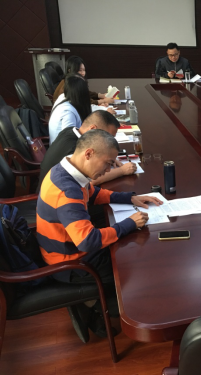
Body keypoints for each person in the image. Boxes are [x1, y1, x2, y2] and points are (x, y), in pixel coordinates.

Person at [37, 130, 163, 342]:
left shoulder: (66, 170)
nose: (109, 170)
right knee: (131, 262)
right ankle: (95, 306)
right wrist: (130, 223)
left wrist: (130, 198)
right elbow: (88, 241)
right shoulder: (67, 190)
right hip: (70, 263)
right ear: (88, 154)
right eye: (108, 163)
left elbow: (93, 193)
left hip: (63, 249)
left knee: (125, 245)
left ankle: (98, 301)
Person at [39, 110, 137, 187]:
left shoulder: (70, 131)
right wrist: (122, 171)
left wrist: (107, 158)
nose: (109, 141)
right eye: (107, 136)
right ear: (93, 129)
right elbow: (91, 181)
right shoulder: (75, 149)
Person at [49, 75, 92, 144]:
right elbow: (69, 141)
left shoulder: (63, 97)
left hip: (63, 146)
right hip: (64, 149)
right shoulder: (68, 113)